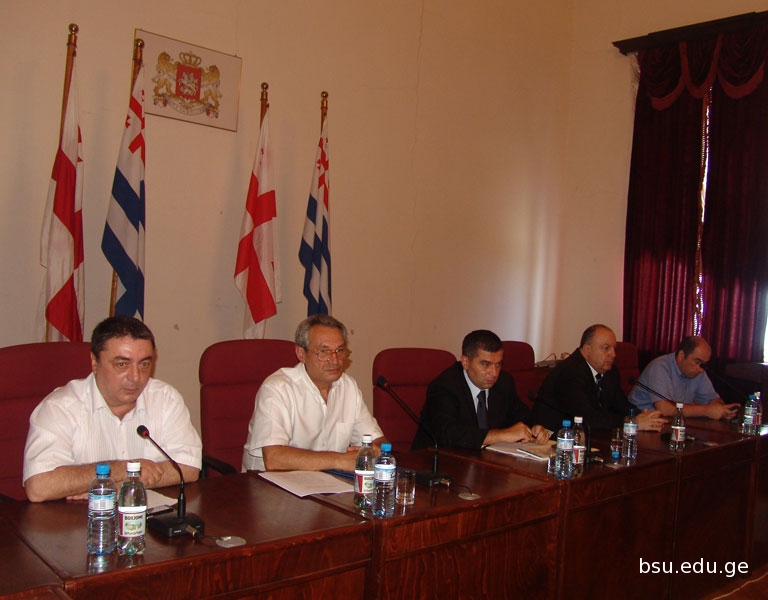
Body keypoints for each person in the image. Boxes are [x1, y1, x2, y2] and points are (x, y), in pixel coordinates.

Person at [23, 316, 202, 502]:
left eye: (144, 364)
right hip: (80, 517)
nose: (135, 377)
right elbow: (39, 487)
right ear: (95, 363)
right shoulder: (60, 408)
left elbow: (189, 467)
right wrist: (121, 469)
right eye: (122, 364)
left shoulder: (164, 398)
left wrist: (125, 484)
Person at [242, 314, 386, 472]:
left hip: (326, 481)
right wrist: (339, 460)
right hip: (267, 481)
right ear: (301, 354)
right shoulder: (278, 388)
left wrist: (375, 450)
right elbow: (274, 459)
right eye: (324, 352)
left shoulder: (348, 386)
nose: (335, 360)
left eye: (340, 350)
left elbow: (378, 440)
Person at [412, 330, 550, 451]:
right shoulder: (444, 387)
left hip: (485, 462)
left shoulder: (504, 382)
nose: (494, 373)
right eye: (486, 364)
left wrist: (535, 428)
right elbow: (448, 434)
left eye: (498, 364)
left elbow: (522, 415)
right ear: (465, 362)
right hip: (438, 463)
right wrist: (502, 435)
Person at [532, 324, 666, 433]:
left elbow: (621, 405)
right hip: (554, 437)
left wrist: (644, 416)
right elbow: (588, 418)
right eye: (606, 348)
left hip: (589, 436)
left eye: (614, 348)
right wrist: (633, 422)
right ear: (587, 349)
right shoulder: (570, 373)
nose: (613, 354)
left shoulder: (609, 371)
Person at [628, 336, 739, 420]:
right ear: (681, 355)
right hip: (639, 423)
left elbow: (713, 400)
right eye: (697, 362)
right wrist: (706, 410)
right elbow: (665, 409)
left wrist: (722, 410)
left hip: (674, 423)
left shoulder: (698, 371)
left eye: (703, 364)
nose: (700, 369)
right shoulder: (660, 366)